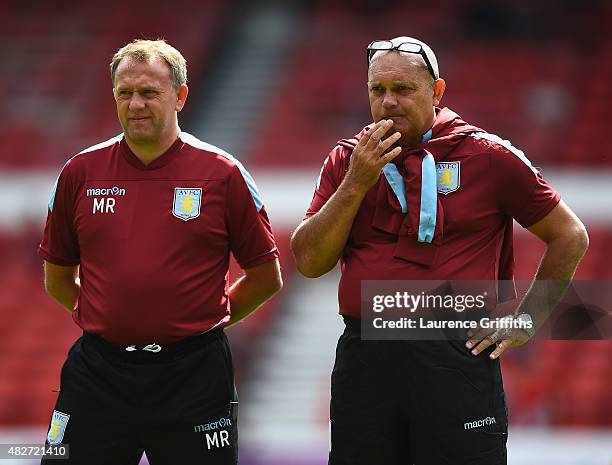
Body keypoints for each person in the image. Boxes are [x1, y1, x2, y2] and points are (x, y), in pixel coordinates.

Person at [291, 36, 588, 465]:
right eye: (378, 91)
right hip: (367, 357)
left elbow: (570, 235)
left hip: (455, 352)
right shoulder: (347, 159)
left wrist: (527, 317)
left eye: (403, 90)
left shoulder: (487, 155)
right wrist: (356, 183)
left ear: (436, 92)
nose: (388, 102)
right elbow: (310, 262)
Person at [38, 39, 282, 465]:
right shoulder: (79, 172)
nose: (135, 104)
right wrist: (110, 318)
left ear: (181, 96)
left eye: (149, 93)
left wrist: (201, 321)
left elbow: (266, 277)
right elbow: (57, 276)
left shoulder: (223, 174)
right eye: (124, 93)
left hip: (195, 376)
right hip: (99, 374)